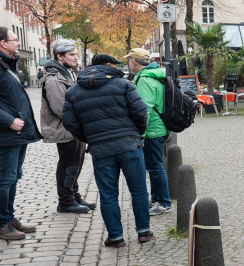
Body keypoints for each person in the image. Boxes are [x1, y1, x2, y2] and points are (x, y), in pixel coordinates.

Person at [62, 54, 152, 248]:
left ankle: (116, 237)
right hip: (129, 144)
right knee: (138, 190)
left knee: (108, 194)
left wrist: (90, 138)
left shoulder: (73, 92)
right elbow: (140, 111)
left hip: (100, 149)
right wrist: (138, 133)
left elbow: (69, 122)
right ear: (108, 65)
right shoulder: (123, 85)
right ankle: (143, 231)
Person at [41, 39, 94, 214]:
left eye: (76, 54)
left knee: (76, 164)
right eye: (71, 55)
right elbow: (61, 107)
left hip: (73, 128)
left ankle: (74, 196)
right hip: (65, 129)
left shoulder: (66, 73)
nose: (75, 58)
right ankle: (65, 201)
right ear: (60, 56)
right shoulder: (54, 78)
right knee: (68, 166)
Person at [0, 27, 42, 241]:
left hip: (17, 133)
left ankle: (9, 218)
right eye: (15, 39)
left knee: (14, 176)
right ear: (2, 43)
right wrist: (9, 121)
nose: (18, 43)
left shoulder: (9, 64)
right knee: (5, 179)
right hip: (6, 133)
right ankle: (3, 224)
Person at [127, 48, 172, 216]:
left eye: (129, 60)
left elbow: (145, 109)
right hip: (160, 127)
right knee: (154, 166)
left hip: (153, 130)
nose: (129, 63)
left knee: (155, 167)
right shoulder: (155, 74)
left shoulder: (145, 79)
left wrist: (141, 133)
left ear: (134, 61)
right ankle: (156, 199)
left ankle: (164, 202)